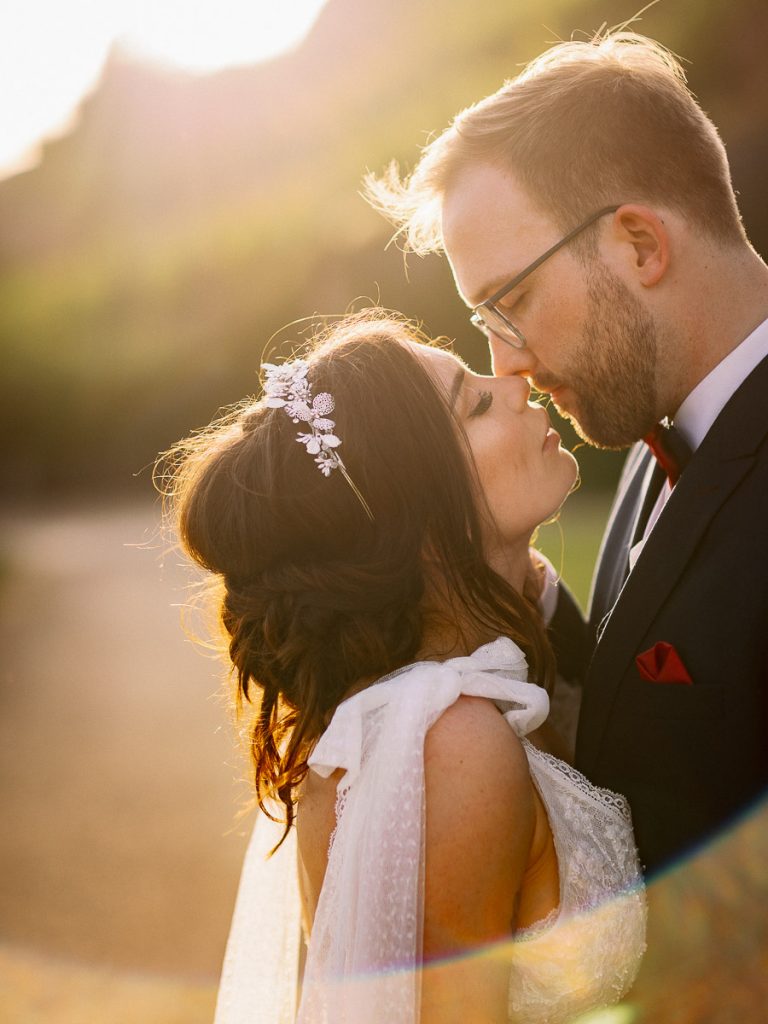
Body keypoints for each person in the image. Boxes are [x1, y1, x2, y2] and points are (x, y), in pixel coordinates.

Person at [160, 313, 645, 1023]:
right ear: (420, 522)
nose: (511, 384)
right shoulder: (451, 748)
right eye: (476, 404)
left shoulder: (423, 710)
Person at [366, 30, 768, 876]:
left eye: (513, 300)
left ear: (640, 245)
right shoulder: (653, 430)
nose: (506, 363)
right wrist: (517, 591)